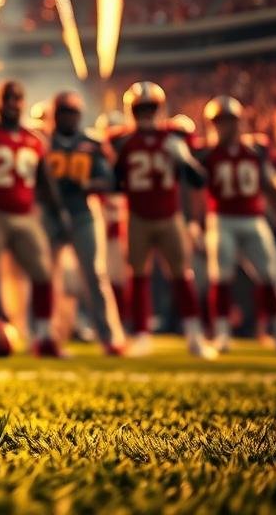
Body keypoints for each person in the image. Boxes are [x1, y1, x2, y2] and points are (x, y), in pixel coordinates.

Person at [0, 80, 70, 357]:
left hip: (25, 215)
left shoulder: (35, 139)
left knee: (43, 274)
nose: (13, 103)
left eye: (18, 98)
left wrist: (60, 212)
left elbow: (45, 182)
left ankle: (44, 337)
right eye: (8, 98)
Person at [111, 81, 215, 359]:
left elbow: (199, 179)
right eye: (141, 109)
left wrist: (184, 160)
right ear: (131, 112)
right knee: (139, 276)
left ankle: (194, 335)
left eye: (150, 108)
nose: (146, 114)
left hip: (170, 216)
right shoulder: (122, 141)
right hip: (136, 216)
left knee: (182, 275)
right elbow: (114, 182)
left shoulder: (175, 136)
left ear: (160, 109)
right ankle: (142, 335)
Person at [196, 95, 276, 351]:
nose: (224, 127)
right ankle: (222, 332)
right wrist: (198, 222)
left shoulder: (255, 149)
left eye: (228, 121)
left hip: (253, 217)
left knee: (268, 274)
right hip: (222, 218)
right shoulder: (208, 153)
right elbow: (196, 190)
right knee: (220, 276)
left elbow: (268, 186)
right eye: (219, 122)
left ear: (239, 122)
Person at [44, 90, 126, 355]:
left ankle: (109, 336)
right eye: (63, 112)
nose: (67, 118)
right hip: (50, 214)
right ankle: (48, 335)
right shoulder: (42, 142)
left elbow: (109, 180)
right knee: (47, 277)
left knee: (94, 274)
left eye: (72, 112)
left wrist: (86, 184)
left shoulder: (90, 143)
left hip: (82, 212)